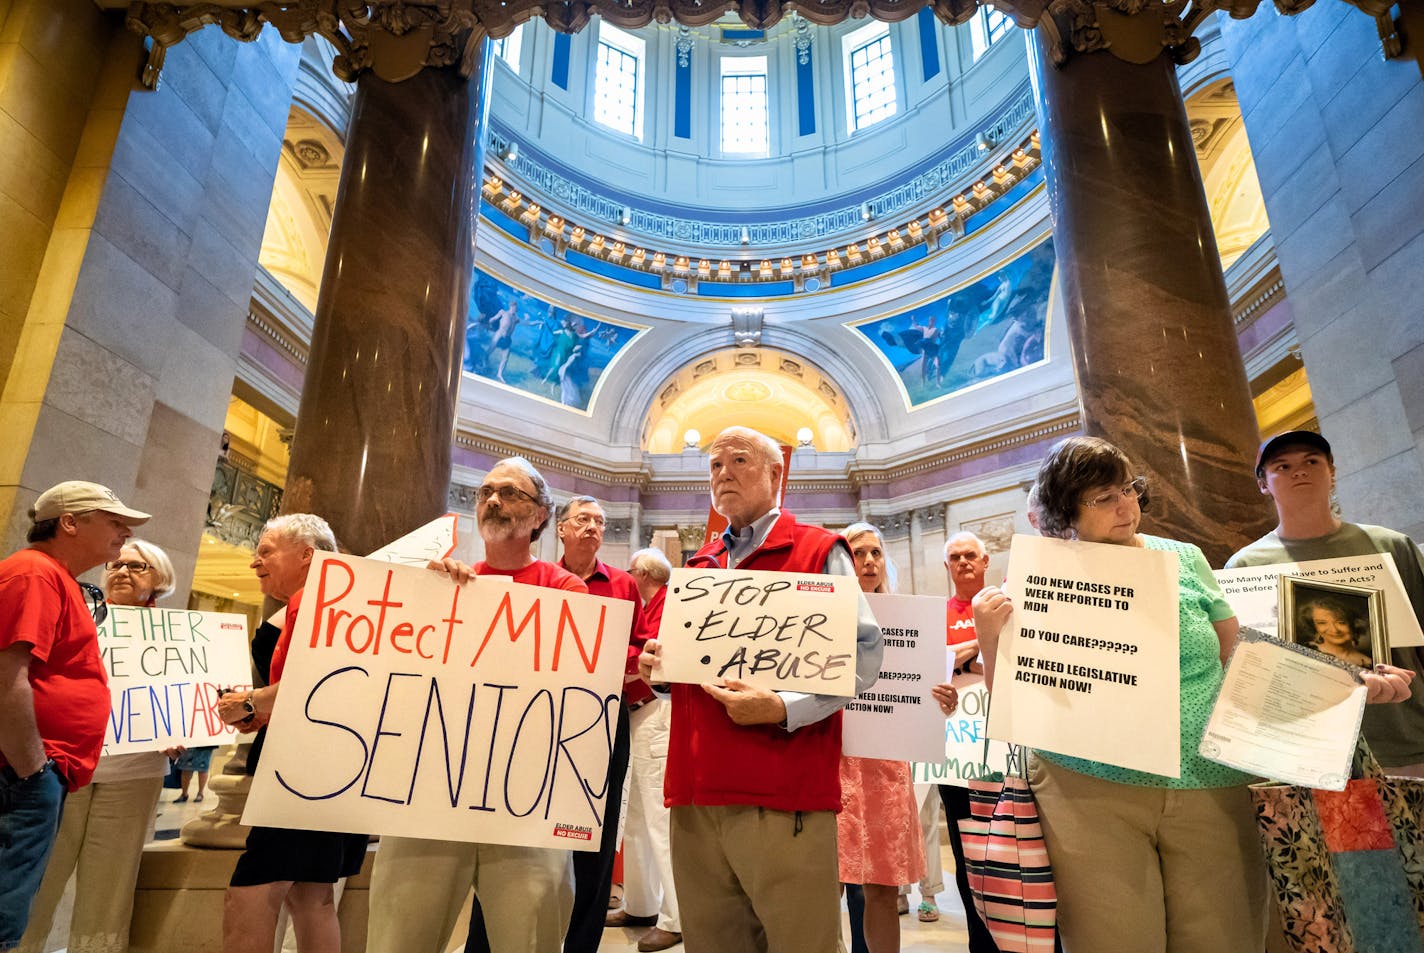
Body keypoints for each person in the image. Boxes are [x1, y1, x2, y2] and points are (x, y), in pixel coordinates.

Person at [973, 436, 1268, 953]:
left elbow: (1237, 658)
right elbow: (1016, 707)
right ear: (1067, 511)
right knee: (1114, 940)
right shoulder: (1044, 575)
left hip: (1209, 779)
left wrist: (1336, 683)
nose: (1126, 504)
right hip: (1087, 788)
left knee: (1225, 936)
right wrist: (988, 636)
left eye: (1128, 489)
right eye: (1103, 497)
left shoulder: (1185, 557)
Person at [639, 426, 884, 953]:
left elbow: (863, 656)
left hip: (782, 794)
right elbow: (682, 677)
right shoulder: (699, 567)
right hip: (695, 799)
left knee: (802, 944)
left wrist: (782, 707)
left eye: (739, 460)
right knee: (712, 944)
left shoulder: (820, 550)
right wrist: (659, 669)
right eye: (714, 465)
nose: (723, 472)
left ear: (776, 474)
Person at [365, 457, 585, 953]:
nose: (493, 500)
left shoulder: (566, 588)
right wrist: (428, 599)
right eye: (486, 490)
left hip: (526, 797)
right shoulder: (437, 585)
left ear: (540, 515)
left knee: (530, 937)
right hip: (429, 793)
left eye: (510, 493)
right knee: (398, 937)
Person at [0, 481, 150, 949]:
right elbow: (6, 676)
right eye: (114, 521)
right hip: (19, 774)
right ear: (69, 522)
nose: (125, 531)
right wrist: (32, 772)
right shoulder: (33, 574)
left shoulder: (55, 579)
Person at [17, 540, 182, 953]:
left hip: (135, 772)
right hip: (64, 766)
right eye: (116, 563)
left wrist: (181, 728)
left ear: (159, 580)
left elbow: (191, 697)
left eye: (137, 567)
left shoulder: (178, 638)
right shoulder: (75, 615)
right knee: (41, 873)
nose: (122, 572)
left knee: (111, 880)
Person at [215, 514, 366, 953]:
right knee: (312, 895)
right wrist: (262, 713)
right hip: (338, 770)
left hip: (301, 771)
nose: (254, 562)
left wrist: (249, 703)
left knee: (251, 892)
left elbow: (314, 681)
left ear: (307, 555)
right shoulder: (341, 603)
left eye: (265, 551)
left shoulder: (312, 601)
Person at [1227, 430, 1420, 755]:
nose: (1299, 471)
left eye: (1311, 461)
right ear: (1263, 484)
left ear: (1332, 471)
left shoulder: (1389, 546)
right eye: (1282, 466)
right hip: (1311, 752)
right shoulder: (1245, 566)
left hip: (1408, 740)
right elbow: (1250, 669)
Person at [551, 497, 645, 953]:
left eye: (600, 522)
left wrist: (610, 654)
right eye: (582, 520)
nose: (592, 527)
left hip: (605, 720)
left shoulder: (624, 585)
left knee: (598, 835)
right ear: (560, 530)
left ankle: (582, 944)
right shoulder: (542, 582)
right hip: (543, 717)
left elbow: (640, 648)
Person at [838, 523, 924, 953]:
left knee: (883, 888)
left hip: (886, 766)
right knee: (822, 886)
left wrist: (938, 697)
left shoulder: (904, 616)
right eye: (858, 553)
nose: (869, 561)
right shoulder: (823, 613)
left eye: (875, 552)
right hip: (834, 760)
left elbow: (921, 690)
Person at [920, 533, 1001, 952]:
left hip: (1010, 752)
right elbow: (933, 667)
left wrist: (959, 655)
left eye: (971, 555)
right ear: (946, 566)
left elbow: (1011, 660)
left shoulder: (1005, 605)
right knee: (968, 857)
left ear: (986, 560)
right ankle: (979, 945)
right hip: (958, 755)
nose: (964, 562)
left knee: (1015, 852)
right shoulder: (935, 614)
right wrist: (980, 648)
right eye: (955, 558)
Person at [610, 548, 681, 952]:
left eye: (628, 572)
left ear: (641, 574)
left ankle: (675, 917)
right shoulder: (649, 606)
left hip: (657, 713)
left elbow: (656, 661)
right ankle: (640, 904)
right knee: (634, 816)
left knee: (657, 814)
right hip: (636, 713)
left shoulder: (667, 605)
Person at [1298, 596, 1371, 666]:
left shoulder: (1369, 663)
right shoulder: (1303, 651)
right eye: (1322, 623)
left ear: (1353, 624)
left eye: (1341, 622)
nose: (1334, 630)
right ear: (1314, 627)